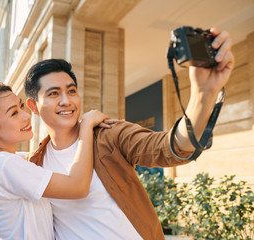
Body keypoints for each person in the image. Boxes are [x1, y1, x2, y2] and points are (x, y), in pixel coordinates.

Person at [24, 28, 234, 240]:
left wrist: (203, 94)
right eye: (53, 93)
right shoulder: (34, 163)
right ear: (33, 106)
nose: (66, 101)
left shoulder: (109, 134)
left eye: (71, 91)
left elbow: (171, 147)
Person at [0, 80, 113, 239]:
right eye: (13, 113)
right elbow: (77, 187)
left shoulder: (6, 161)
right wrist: (86, 127)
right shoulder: (2, 164)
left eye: (21, 106)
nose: (26, 116)